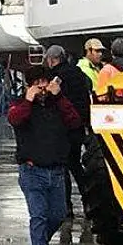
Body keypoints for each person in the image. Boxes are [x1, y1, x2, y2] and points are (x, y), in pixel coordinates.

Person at [8, 66, 82, 245]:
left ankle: (39, 242)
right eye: (37, 83)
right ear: (28, 85)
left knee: (58, 215)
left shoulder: (57, 104)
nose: (42, 87)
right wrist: (28, 101)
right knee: (38, 215)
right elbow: (15, 119)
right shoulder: (20, 105)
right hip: (32, 171)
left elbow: (75, 121)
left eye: (45, 82)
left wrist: (59, 98)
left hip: (57, 171)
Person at [44, 45, 91, 218]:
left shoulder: (54, 77)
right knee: (76, 164)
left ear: (51, 59)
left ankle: (67, 206)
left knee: (62, 167)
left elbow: (50, 101)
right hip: (77, 126)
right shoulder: (78, 73)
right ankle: (88, 202)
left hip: (62, 128)